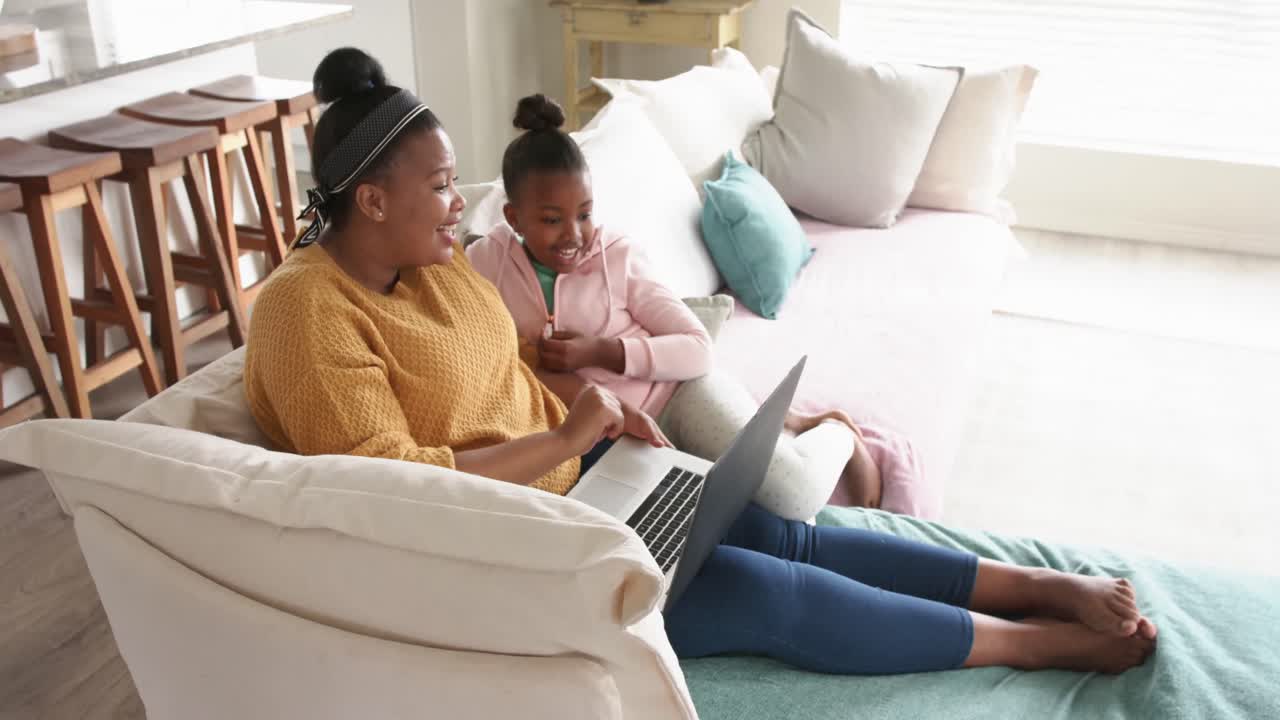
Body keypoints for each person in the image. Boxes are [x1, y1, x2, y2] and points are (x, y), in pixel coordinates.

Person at [244, 47, 1158, 677]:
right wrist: (570, 431)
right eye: (442, 186)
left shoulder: (434, 269)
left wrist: (606, 423)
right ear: (369, 199)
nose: (458, 203)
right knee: (776, 596)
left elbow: (507, 377)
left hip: (578, 482)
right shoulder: (303, 312)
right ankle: (1035, 646)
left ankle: (1038, 586)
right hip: (508, 549)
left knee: (784, 532)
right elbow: (389, 488)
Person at [465, 93, 883, 520]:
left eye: (585, 214)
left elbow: (698, 348)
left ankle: (835, 430)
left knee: (791, 498)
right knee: (744, 528)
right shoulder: (486, 264)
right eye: (552, 220)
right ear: (513, 218)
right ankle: (784, 424)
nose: (574, 235)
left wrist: (599, 351)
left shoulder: (619, 257)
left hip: (680, 395)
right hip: (614, 438)